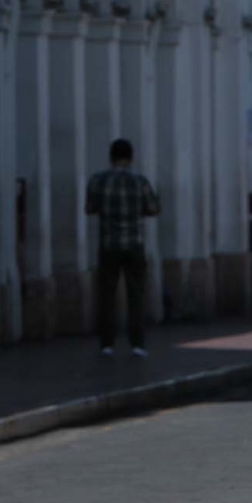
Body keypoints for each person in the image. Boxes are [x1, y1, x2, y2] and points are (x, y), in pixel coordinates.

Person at [84, 138, 161, 356]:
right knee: (135, 294)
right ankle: (137, 343)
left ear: (111, 157)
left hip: (109, 244)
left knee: (107, 294)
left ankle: (107, 344)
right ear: (131, 157)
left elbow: (90, 208)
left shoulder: (98, 180)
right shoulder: (141, 181)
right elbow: (154, 209)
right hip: (134, 244)